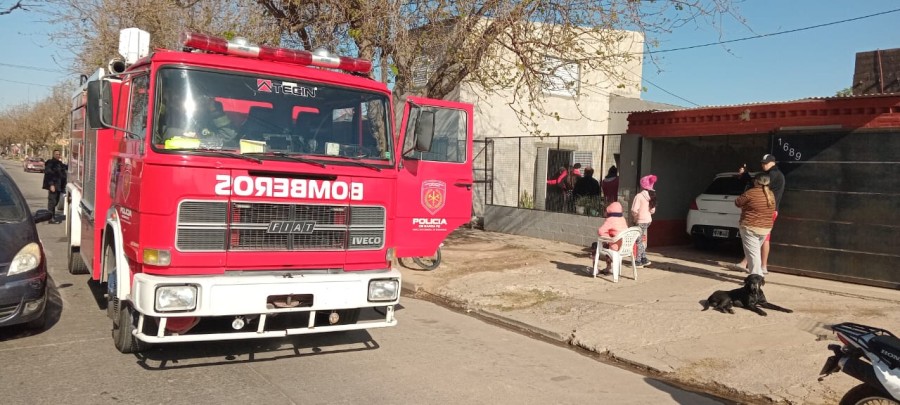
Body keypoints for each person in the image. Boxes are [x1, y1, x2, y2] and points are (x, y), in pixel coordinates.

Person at [731, 154, 785, 274]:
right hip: (769, 212)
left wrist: (745, 176)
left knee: (760, 240)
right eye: (762, 162)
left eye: (766, 163)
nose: (763, 165)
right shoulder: (776, 175)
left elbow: (754, 188)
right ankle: (752, 265)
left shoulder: (772, 175)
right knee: (762, 239)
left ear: (773, 162)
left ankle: (759, 270)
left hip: (764, 213)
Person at [734, 173, 776, 276]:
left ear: (756, 181)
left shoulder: (751, 193)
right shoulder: (771, 194)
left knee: (753, 254)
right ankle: (756, 275)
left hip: (750, 228)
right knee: (754, 253)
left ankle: (756, 278)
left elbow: (737, 202)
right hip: (765, 229)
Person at [630, 174, 657, 268]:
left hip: (640, 221)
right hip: (648, 220)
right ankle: (643, 258)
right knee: (641, 239)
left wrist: (635, 217)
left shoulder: (639, 196)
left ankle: (639, 260)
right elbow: (652, 210)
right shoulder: (652, 195)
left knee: (639, 241)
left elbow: (634, 210)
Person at [596, 201, 629, 275]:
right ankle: (613, 267)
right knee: (609, 243)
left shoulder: (610, 220)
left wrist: (608, 236)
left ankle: (607, 267)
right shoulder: (623, 219)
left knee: (597, 246)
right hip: (625, 246)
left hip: (615, 247)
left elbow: (600, 231)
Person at [42, 149, 67, 224]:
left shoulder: (59, 163)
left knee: (56, 202)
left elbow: (66, 168)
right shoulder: (50, 163)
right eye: (56, 154)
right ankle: (50, 218)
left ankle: (52, 215)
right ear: (53, 155)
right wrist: (51, 185)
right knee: (52, 202)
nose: (58, 155)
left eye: (59, 154)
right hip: (53, 185)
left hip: (59, 186)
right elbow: (49, 174)